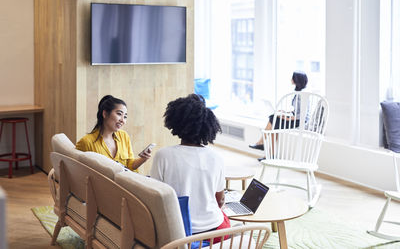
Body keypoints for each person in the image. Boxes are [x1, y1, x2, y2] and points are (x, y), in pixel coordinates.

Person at [150, 94, 230, 241]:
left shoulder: (163, 156)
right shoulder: (217, 158)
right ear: (208, 125)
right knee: (225, 216)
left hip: (179, 233)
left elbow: (155, 198)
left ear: (175, 122)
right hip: (216, 233)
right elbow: (220, 200)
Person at [76, 95, 152, 172]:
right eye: (119, 114)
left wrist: (143, 159)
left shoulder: (124, 136)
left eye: (125, 116)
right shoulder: (86, 142)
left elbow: (130, 165)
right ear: (105, 114)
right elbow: (77, 172)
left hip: (124, 182)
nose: (123, 120)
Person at [249, 71, 308, 160]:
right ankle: (268, 153)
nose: (291, 79)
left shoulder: (303, 94)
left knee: (273, 118)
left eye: (292, 78)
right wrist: (286, 113)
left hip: (300, 121)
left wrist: (287, 118)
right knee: (274, 122)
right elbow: (296, 111)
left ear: (296, 80)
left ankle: (262, 145)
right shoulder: (298, 93)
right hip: (296, 119)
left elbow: (302, 115)